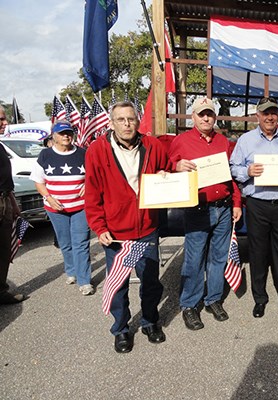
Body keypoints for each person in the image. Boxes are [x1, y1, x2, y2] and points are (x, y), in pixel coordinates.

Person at [84, 101, 169, 353]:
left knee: (151, 281)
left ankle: (150, 321)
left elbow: (167, 169)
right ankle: (120, 329)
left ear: (137, 121)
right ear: (111, 123)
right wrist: (99, 227)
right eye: (121, 120)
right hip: (116, 233)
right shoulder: (97, 151)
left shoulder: (153, 145)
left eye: (131, 119)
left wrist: (169, 172)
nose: (127, 124)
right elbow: (92, 194)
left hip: (147, 229)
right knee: (118, 285)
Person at [168, 97, 242, 331]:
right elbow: (167, 166)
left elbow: (231, 175)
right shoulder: (181, 141)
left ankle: (213, 300)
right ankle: (189, 305)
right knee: (194, 259)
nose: (206, 118)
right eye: (201, 114)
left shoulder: (223, 141)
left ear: (215, 116)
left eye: (209, 114)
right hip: (198, 208)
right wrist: (176, 166)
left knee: (219, 257)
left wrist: (237, 203)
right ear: (194, 117)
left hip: (223, 206)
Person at [230, 96, 278, 318]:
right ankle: (260, 298)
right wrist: (247, 172)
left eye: (273, 113)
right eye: (265, 113)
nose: (270, 117)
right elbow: (234, 167)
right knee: (258, 252)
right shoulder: (245, 140)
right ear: (258, 116)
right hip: (257, 204)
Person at [30, 121, 93, 295]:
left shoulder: (83, 153)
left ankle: (84, 280)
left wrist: (88, 183)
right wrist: (48, 198)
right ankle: (71, 271)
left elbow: (93, 173)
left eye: (69, 132)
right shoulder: (45, 155)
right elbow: (38, 180)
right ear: (53, 136)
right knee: (65, 243)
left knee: (80, 242)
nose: (66, 136)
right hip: (55, 208)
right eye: (61, 133)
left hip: (80, 206)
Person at [0, 106, 28, 305]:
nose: (5, 123)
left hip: (4, 200)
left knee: (3, 250)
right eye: (1, 119)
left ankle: (1, 291)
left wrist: (12, 203)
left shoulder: (0, 146)